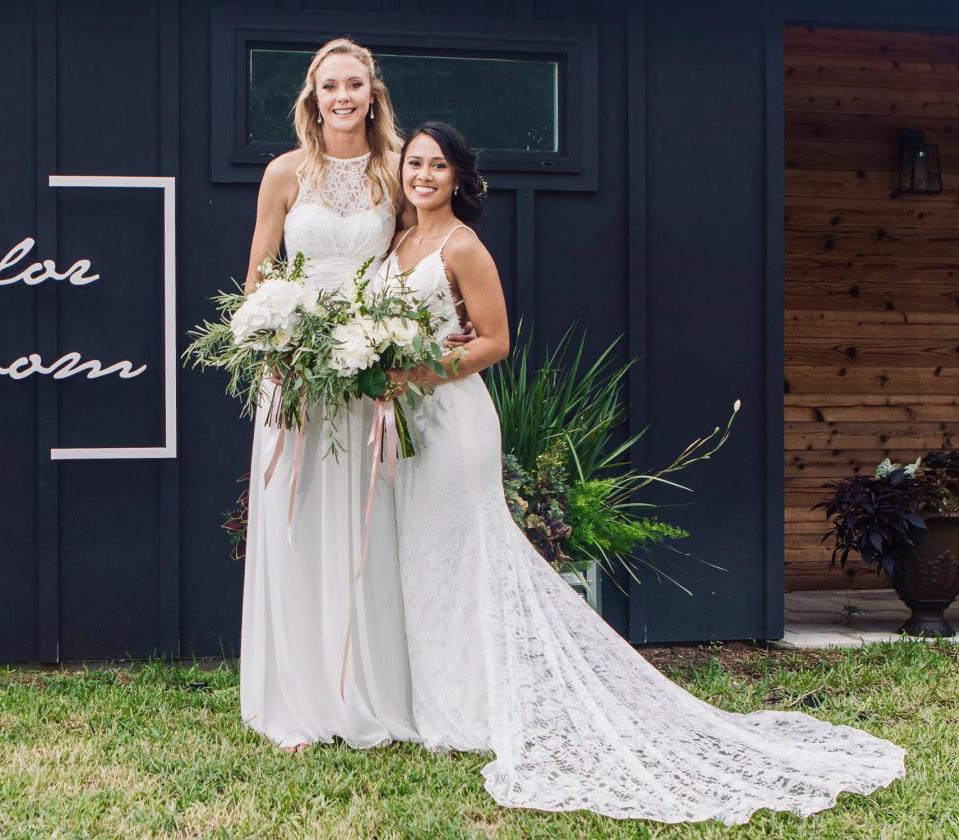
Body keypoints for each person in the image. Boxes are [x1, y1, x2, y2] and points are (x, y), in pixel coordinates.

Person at [380, 121, 906, 823]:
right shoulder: (398, 241)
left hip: (454, 424)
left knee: (466, 557)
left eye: (436, 166)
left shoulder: (462, 246)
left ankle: (475, 709)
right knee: (425, 559)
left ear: (458, 178)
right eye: (414, 163)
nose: (422, 175)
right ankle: (434, 701)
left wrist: (419, 370)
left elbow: (497, 342)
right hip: (409, 424)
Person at [237, 38, 417, 752]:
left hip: (369, 369)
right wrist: (275, 342)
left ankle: (367, 690)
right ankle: (300, 698)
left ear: (373, 94)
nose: (342, 97)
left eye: (354, 85)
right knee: (298, 517)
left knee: (370, 528)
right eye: (329, 87)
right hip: (298, 373)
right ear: (312, 99)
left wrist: (395, 338)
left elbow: (413, 261)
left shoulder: (398, 173)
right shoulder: (285, 173)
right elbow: (256, 278)